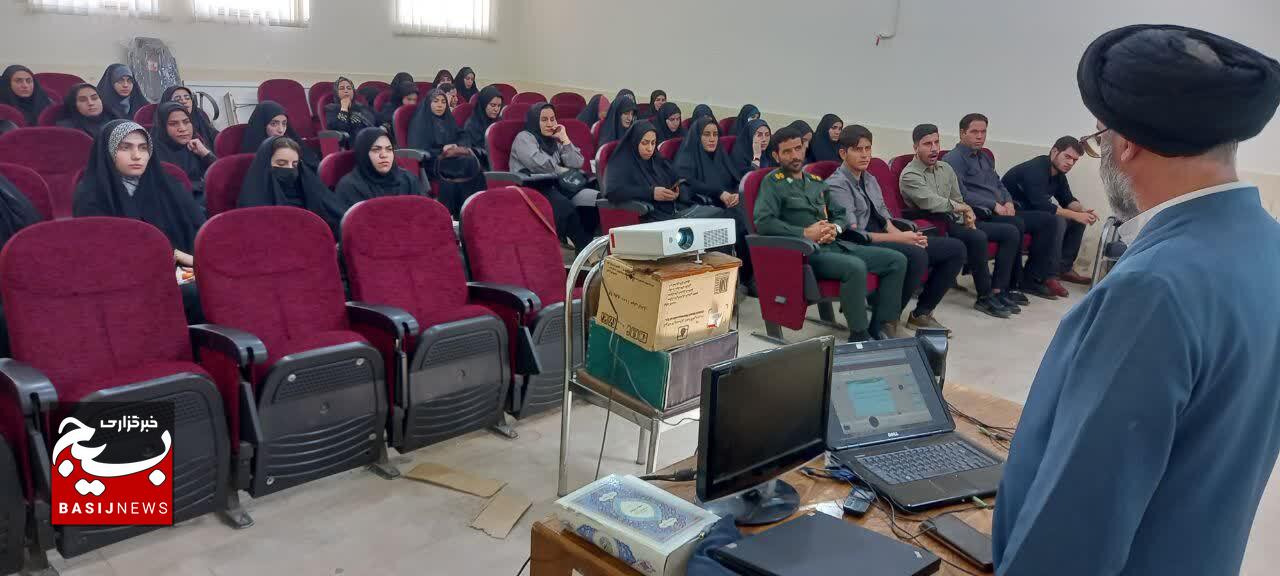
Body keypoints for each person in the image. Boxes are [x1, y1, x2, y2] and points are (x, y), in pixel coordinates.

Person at [994, 25, 1280, 576]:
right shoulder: (1267, 246)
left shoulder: (1154, 286)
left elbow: (1079, 518)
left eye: (1100, 138)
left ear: (1126, 144)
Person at [755, 127, 908, 341]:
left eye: (798, 148)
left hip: (835, 245)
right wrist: (805, 233)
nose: (795, 155)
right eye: (787, 151)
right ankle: (859, 334)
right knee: (855, 267)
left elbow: (840, 214)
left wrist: (833, 228)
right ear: (776, 156)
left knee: (896, 260)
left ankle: (880, 326)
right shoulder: (773, 184)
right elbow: (764, 223)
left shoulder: (814, 182)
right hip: (806, 254)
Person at [825, 125, 964, 334]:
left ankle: (921, 314)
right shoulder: (837, 184)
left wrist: (904, 236)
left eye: (868, 148)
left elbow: (885, 219)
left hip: (882, 236)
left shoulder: (869, 179)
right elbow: (854, 234)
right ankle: (886, 320)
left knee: (955, 249)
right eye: (858, 149)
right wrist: (902, 240)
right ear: (843, 153)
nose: (865, 155)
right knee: (916, 256)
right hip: (859, 243)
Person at [73, 119, 206, 322]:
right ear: (108, 151)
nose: (137, 156)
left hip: (181, 272)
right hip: (124, 280)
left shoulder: (169, 187)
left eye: (143, 148)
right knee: (197, 292)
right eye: (125, 148)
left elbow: (198, 233)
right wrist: (183, 259)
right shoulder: (92, 195)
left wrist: (193, 264)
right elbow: (104, 254)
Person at [900, 124, 1019, 318]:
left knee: (1010, 231)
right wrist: (963, 209)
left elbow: (958, 197)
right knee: (977, 237)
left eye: (936, 142)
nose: (934, 149)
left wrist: (967, 214)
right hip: (934, 224)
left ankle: (999, 290)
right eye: (927, 144)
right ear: (915, 147)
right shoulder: (910, 174)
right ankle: (985, 297)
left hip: (955, 220)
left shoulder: (945, 168)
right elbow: (932, 202)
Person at [944, 113, 1059, 301]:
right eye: (974, 132)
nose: (980, 136)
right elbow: (961, 194)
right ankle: (1007, 285)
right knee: (1016, 225)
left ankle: (1030, 279)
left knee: (1048, 221)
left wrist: (1007, 201)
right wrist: (994, 204)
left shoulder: (984, 157)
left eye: (983, 132)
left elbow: (998, 183)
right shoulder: (954, 159)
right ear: (962, 133)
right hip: (982, 213)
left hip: (1002, 208)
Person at [1002, 136, 1097, 287]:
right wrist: (1077, 215)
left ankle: (1063, 269)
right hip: (1011, 213)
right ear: (1054, 152)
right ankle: (1049, 276)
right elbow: (1042, 206)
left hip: (1034, 214)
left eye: (1074, 160)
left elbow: (1068, 200)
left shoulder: (1059, 174)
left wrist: (1084, 212)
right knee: (1056, 220)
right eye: (1067, 157)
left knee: (1076, 221)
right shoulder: (1035, 169)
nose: (1070, 163)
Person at [672, 116, 754, 285]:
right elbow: (688, 184)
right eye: (706, 134)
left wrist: (736, 193)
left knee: (751, 216)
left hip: (726, 203)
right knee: (736, 221)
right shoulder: (686, 157)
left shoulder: (720, 155)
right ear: (697, 136)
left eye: (715, 134)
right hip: (703, 206)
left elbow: (733, 178)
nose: (712, 139)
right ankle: (738, 279)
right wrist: (719, 193)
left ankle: (750, 276)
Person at [510, 102, 597, 253]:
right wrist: (561, 169)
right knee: (564, 206)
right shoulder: (524, 138)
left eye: (552, 119)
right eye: (544, 119)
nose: (550, 124)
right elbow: (538, 164)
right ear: (534, 120)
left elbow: (577, 162)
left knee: (593, 199)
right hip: (532, 185)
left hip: (556, 185)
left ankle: (585, 245)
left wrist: (565, 139)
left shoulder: (554, 141)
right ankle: (585, 250)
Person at [238, 135, 345, 238]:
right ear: (266, 165)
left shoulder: (307, 187)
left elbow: (338, 218)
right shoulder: (252, 201)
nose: (290, 169)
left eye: (294, 164)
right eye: (281, 164)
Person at [407, 88, 486, 216]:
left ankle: (473, 210)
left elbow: (462, 134)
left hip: (450, 159)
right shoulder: (420, 122)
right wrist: (442, 149)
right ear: (428, 103)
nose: (440, 105)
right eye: (436, 101)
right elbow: (419, 147)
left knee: (472, 165)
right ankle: (453, 212)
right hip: (431, 162)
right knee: (462, 167)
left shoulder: (448, 119)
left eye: (443, 102)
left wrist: (457, 145)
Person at [336, 127, 425, 205]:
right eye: (376, 150)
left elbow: (426, 214)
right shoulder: (350, 187)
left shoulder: (408, 179)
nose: (384, 155)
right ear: (363, 154)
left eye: (389, 149)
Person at [151, 102, 216, 202]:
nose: (182, 129)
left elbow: (221, 177)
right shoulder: (153, 153)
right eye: (173, 124)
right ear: (163, 127)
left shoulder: (196, 146)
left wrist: (206, 154)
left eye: (186, 122)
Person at [241, 100, 319, 170]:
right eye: (274, 124)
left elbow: (312, 163)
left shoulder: (290, 144)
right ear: (262, 124)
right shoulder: (253, 156)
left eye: (284, 124)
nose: (281, 130)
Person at [323, 76, 378, 148]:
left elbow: (377, 120)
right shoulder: (332, 109)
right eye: (342, 88)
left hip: (374, 141)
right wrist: (344, 108)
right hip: (354, 145)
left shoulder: (360, 107)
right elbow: (341, 128)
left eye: (349, 88)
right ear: (336, 93)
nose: (346, 91)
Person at [461, 85, 504, 169]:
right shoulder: (471, 125)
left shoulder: (500, 123)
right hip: (480, 169)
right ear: (484, 104)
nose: (496, 109)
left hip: (502, 167)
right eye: (493, 105)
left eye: (499, 106)